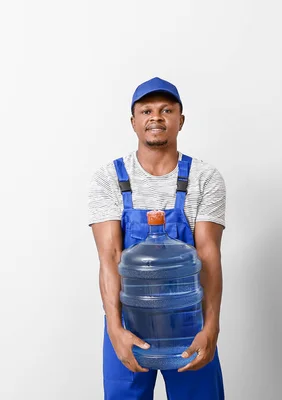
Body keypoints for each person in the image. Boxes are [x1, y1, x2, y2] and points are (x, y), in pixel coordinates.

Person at [88, 77, 226, 399]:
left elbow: (208, 256)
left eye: (166, 109)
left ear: (181, 119)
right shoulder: (109, 178)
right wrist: (115, 329)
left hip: (189, 324)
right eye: (146, 110)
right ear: (133, 121)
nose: (156, 117)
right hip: (128, 325)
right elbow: (109, 258)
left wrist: (211, 327)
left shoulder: (204, 178)